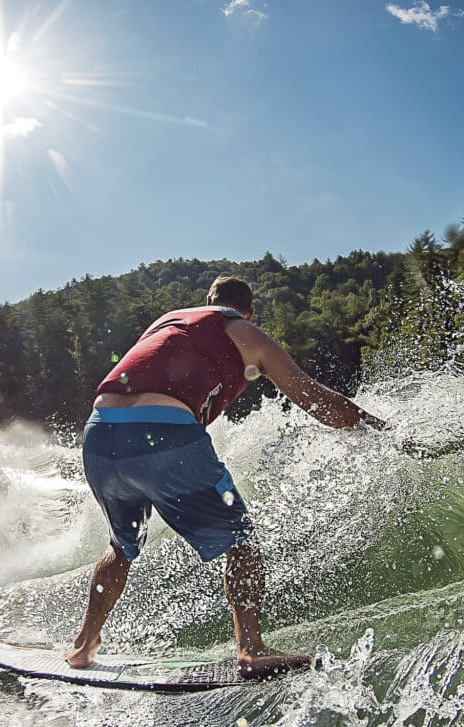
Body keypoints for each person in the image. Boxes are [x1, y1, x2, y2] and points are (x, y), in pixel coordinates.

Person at [68, 276, 386, 679]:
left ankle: (82, 646)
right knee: (241, 542)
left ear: (208, 301)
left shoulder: (168, 321)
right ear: (247, 311)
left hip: (99, 434)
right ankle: (251, 649)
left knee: (121, 546)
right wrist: (379, 430)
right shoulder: (242, 330)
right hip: (164, 434)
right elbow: (314, 400)